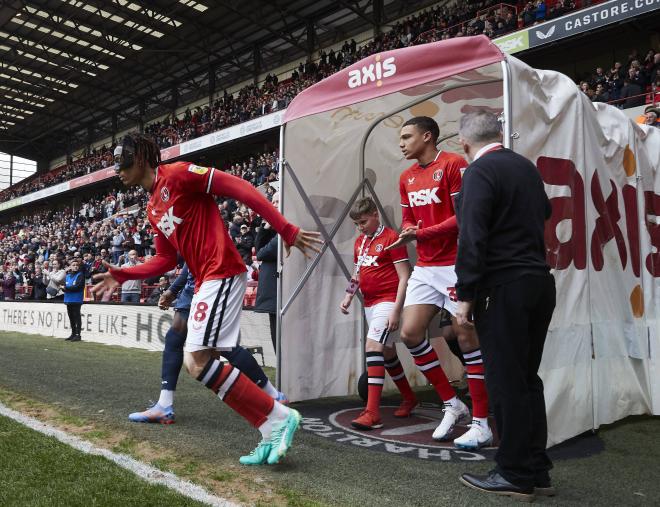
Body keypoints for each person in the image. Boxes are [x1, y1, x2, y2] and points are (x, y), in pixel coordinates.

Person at [93, 133, 322, 466]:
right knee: (208, 358)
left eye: (121, 163)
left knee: (197, 362)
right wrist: (125, 274)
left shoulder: (178, 174)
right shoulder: (152, 206)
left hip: (222, 271)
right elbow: (166, 261)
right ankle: (272, 422)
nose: (117, 171)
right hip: (205, 279)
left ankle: (276, 415)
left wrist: (284, 229)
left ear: (140, 158)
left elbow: (239, 187)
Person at [453, 111, 555, 501]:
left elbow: (472, 235)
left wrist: (465, 294)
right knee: (528, 379)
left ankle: (514, 473)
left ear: (464, 144)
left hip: (504, 285)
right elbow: (544, 212)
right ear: (499, 133)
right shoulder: (525, 167)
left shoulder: (478, 172)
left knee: (508, 382)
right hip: (538, 281)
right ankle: (535, 468)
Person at [387, 116, 491, 449]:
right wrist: (408, 231)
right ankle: (452, 403)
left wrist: (422, 233)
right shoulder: (406, 177)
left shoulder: (453, 164)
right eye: (400, 138)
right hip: (427, 266)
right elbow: (409, 218)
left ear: (427, 136)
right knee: (409, 333)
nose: (402, 143)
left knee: (464, 332)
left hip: (455, 264)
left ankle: (482, 421)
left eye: (407, 136)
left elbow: (464, 216)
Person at [129, 263, 288, 424]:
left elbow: (178, 258)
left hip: (210, 280)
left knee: (219, 346)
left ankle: (273, 396)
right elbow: (187, 261)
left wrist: (170, 290)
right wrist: (172, 290)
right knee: (178, 338)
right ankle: (164, 405)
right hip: (199, 281)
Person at [339, 197, 417, 430]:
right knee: (388, 352)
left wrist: (396, 308)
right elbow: (357, 274)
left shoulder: (392, 238)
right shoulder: (360, 242)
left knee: (373, 348)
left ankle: (372, 412)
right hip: (370, 304)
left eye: (363, 221)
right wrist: (348, 296)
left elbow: (404, 275)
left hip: (387, 302)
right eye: (357, 224)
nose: (360, 227)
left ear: (375, 214)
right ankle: (410, 397)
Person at [253, 192, 279, 352]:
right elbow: (258, 248)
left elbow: (262, 253)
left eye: (277, 201)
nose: (273, 204)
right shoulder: (273, 229)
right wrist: (266, 226)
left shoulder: (286, 227)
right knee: (276, 340)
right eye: (273, 201)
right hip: (273, 295)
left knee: (282, 343)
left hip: (280, 294)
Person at [64, 259, 85, 342]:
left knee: (77, 317)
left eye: (77, 265)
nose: (75, 266)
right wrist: (63, 288)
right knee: (71, 317)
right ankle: (73, 333)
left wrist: (66, 288)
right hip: (68, 299)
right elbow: (67, 287)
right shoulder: (68, 276)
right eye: (73, 265)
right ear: (70, 267)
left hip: (76, 299)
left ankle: (78, 335)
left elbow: (77, 287)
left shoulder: (80, 275)